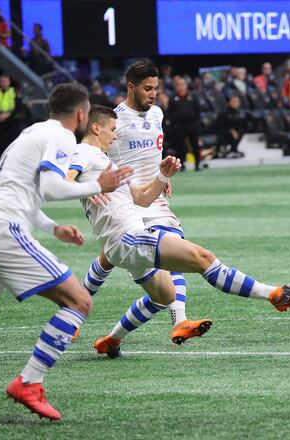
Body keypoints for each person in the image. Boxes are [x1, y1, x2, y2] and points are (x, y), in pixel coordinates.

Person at [67, 106, 290, 357]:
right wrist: (86, 188)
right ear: (96, 128)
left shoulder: (107, 162)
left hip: (122, 244)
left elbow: (142, 198)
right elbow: (58, 180)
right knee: (203, 259)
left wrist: (162, 176)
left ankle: (111, 341)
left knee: (165, 297)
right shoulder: (84, 152)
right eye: (112, 130)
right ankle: (276, 294)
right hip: (129, 238)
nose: (115, 136)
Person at [0, 84, 132, 420]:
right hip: (4, 230)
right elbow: (50, 187)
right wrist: (99, 185)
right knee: (79, 301)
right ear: (82, 115)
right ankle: (29, 383)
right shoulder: (62, 136)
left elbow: (18, 192)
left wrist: (52, 228)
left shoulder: (30, 133)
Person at [79, 61, 205, 344]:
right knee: (119, 256)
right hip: (125, 197)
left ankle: (178, 321)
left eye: (156, 88)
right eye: (148, 88)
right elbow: (90, 152)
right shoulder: (115, 119)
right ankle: (77, 311)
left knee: (146, 254)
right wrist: (90, 185)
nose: (153, 94)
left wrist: (162, 176)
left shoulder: (157, 113)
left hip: (152, 197)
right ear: (131, 87)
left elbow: (151, 152)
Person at [0, 74, 18, 157]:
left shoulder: (13, 92)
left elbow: (18, 105)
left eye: (5, 81)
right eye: (2, 81)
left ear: (9, 82)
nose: (4, 83)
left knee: (11, 140)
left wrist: (8, 114)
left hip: (11, 119)